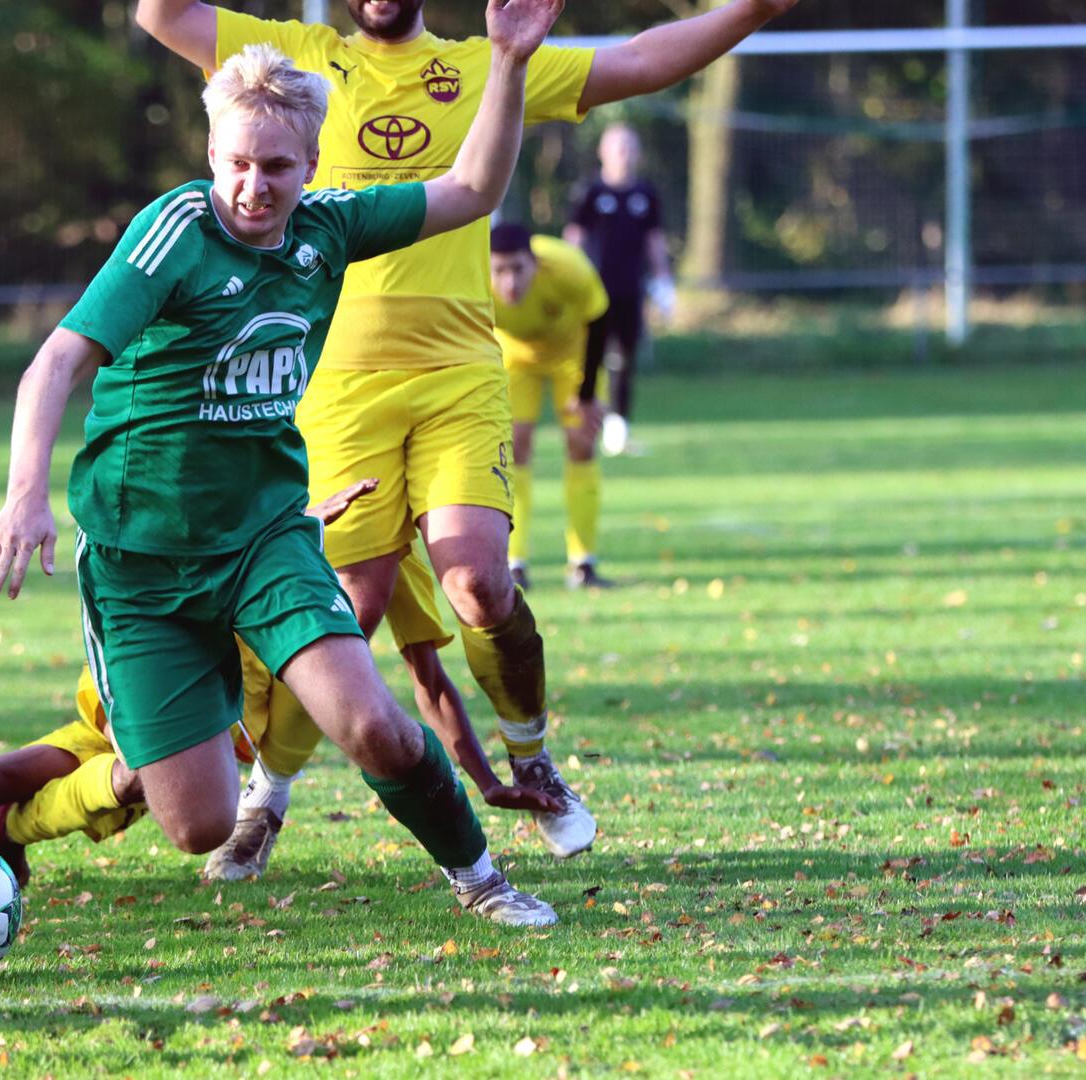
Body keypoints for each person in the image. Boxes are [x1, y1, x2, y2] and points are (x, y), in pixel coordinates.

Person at [134, 0, 799, 871]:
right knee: (342, 608)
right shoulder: (295, 59)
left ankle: (533, 753)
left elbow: (639, 61)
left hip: (458, 375)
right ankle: (270, 794)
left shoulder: (490, 60)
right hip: (337, 384)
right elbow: (161, 14)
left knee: (480, 584)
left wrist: (752, 10)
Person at [0, 0, 565, 926]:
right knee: (198, 824)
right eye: (237, 163)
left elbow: (471, 191)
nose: (254, 186)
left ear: (312, 166)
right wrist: (23, 499)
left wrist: (512, 63)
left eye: (277, 166)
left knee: (370, 722)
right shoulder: (172, 235)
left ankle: (480, 877)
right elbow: (57, 362)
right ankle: (18, 818)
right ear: (212, 157)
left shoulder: (328, 230)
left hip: (263, 540)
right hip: (143, 564)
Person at [0, 488, 558, 926]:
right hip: (114, 713)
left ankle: (9, 835)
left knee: (80, 787)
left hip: (176, 760)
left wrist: (485, 779)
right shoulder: (265, 519)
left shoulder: (386, 563)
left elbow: (424, 685)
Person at [488, 223, 611, 590]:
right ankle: (514, 562)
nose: (510, 282)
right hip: (516, 359)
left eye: (518, 269)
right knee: (514, 447)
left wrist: (587, 395)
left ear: (535, 263)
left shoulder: (567, 267)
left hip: (571, 355)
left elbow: (601, 319)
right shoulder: (471, 277)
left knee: (581, 442)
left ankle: (583, 562)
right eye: (500, 271)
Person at [565, 123, 672, 457]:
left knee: (624, 359)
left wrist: (663, 280)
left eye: (629, 148)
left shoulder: (645, 194)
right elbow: (574, 238)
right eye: (618, 147)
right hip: (594, 293)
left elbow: (655, 240)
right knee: (589, 357)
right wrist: (570, 277)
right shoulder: (590, 192)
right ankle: (584, 420)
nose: (624, 155)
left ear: (638, 154)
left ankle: (618, 430)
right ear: (603, 152)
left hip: (630, 290)